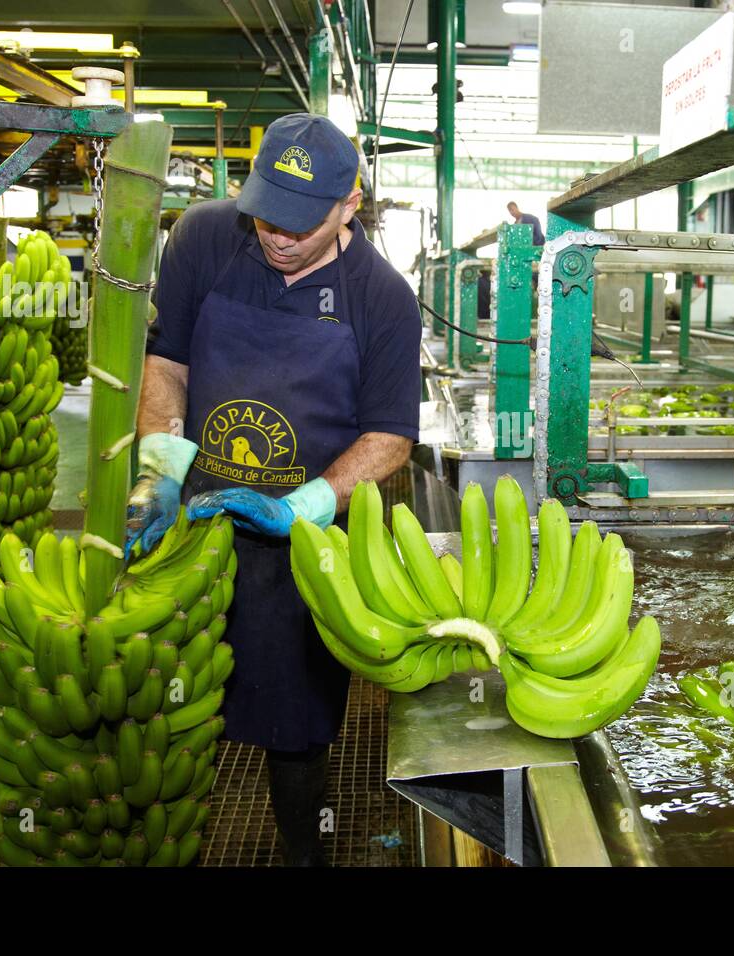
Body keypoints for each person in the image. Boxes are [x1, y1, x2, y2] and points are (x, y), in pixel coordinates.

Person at [125, 113, 421, 866]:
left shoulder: (383, 299)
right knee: (164, 704)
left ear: (349, 204)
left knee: (294, 726)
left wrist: (304, 508)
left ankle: (301, 849)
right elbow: (168, 365)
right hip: (193, 525)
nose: (278, 237)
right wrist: (161, 466)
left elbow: (390, 436)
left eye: (301, 224)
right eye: (266, 215)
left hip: (303, 549)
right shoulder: (201, 238)